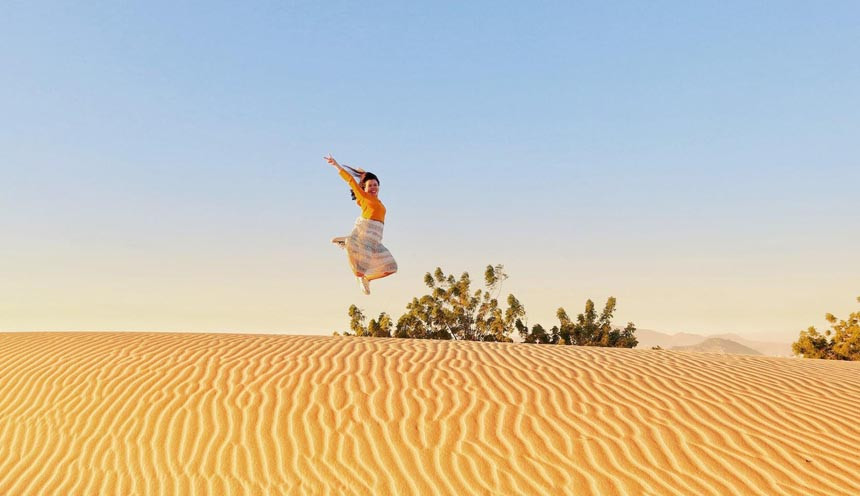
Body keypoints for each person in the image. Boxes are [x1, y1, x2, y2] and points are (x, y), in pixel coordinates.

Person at [325, 154, 397, 295]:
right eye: (370, 186)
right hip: (366, 232)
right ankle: (349, 242)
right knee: (358, 271)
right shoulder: (364, 197)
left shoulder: (379, 202)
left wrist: (364, 173)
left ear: (379, 186)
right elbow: (351, 180)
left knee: (391, 268)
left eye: (375, 185)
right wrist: (336, 165)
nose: (373, 187)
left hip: (376, 239)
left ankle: (367, 279)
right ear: (364, 188)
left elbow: (365, 181)